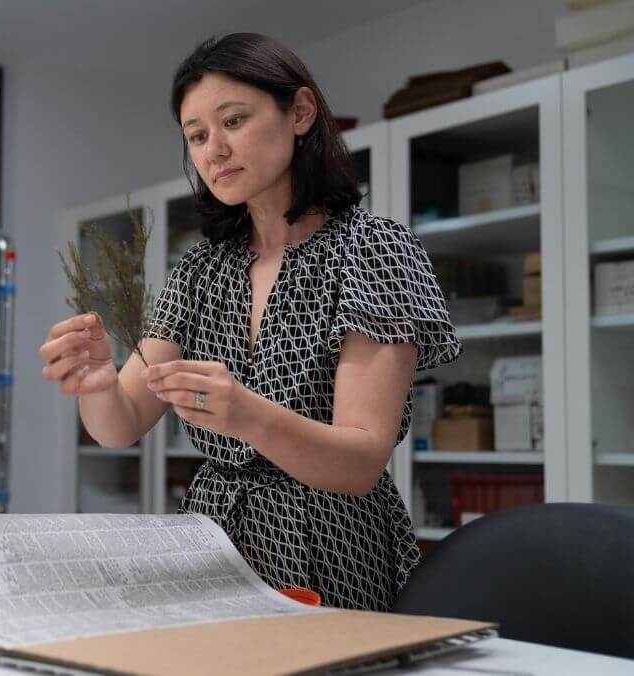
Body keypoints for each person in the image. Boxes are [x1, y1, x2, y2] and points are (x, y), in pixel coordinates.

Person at [39, 32, 459, 611]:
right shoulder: (200, 269)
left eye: (233, 120)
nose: (214, 150)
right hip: (214, 543)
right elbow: (121, 423)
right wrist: (97, 382)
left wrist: (246, 414)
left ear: (301, 113)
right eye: (197, 136)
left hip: (332, 545)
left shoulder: (374, 250)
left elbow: (360, 461)